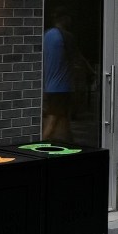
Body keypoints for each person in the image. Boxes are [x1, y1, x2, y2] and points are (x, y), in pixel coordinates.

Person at [42, 9, 73, 143]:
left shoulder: (47, 35)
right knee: (53, 117)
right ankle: (41, 142)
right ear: (64, 19)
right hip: (61, 87)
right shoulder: (66, 36)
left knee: (63, 117)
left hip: (49, 86)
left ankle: (71, 143)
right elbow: (75, 59)